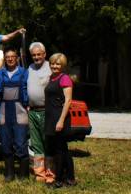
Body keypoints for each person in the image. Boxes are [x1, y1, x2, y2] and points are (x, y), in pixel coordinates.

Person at [0, 48, 29, 181]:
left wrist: (28, 104)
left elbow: (27, 89)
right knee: (5, 142)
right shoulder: (1, 73)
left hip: (20, 108)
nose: (10, 59)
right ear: (5, 59)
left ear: (17, 58)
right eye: (7, 57)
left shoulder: (23, 72)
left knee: (21, 142)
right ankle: (9, 173)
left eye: (12, 56)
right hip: (4, 109)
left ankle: (23, 174)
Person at [44, 53, 76, 188]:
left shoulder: (65, 78)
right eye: (52, 63)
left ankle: (59, 179)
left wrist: (61, 120)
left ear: (62, 65)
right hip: (51, 116)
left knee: (60, 150)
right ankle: (70, 178)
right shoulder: (52, 78)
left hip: (60, 117)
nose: (54, 66)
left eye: (57, 64)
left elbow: (68, 101)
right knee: (62, 149)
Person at [26, 42, 53, 182]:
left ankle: (50, 172)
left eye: (39, 54)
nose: (36, 57)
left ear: (44, 54)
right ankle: (39, 173)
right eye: (34, 55)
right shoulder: (29, 68)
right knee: (36, 144)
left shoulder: (51, 67)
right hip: (32, 112)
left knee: (48, 142)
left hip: (47, 111)